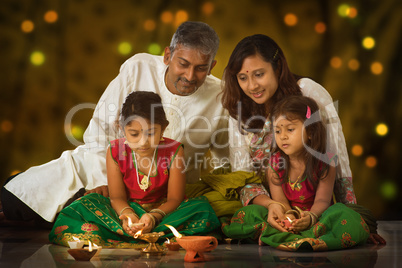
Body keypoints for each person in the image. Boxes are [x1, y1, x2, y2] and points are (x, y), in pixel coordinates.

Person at [1, 21, 229, 227]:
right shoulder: (138, 67)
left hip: (166, 194)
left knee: (58, 218)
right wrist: (106, 184)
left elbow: (224, 161)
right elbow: (100, 131)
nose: (190, 76)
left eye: (201, 68)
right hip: (104, 172)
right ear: (168, 56)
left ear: (212, 66)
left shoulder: (220, 95)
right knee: (15, 197)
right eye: (183, 64)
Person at [222, 34, 386, 244]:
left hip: (316, 209)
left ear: (278, 67)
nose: (252, 85)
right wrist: (276, 207)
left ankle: (292, 236)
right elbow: (242, 175)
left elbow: (338, 156)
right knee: (245, 217)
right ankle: (282, 231)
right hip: (271, 207)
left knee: (346, 219)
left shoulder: (307, 91)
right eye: (242, 78)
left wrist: (354, 215)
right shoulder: (238, 108)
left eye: (259, 74)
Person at [49, 91, 220, 248]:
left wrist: (153, 216)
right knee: (83, 204)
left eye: (151, 133)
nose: (143, 142)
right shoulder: (115, 151)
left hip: (164, 212)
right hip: (126, 208)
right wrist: (128, 216)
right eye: (134, 134)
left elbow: (175, 199)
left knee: (201, 209)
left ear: (164, 128)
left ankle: (133, 234)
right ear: (121, 128)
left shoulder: (174, 150)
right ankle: (142, 233)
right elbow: (116, 197)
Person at [223, 95, 370, 251]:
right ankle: (298, 237)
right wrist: (290, 217)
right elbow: (279, 200)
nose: (283, 136)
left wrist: (310, 217)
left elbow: (323, 200)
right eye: (278, 131)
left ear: (311, 131)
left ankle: (285, 239)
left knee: (343, 214)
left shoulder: (326, 161)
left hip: (319, 218)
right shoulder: (275, 163)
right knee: (250, 212)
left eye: (290, 129)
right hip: (288, 215)